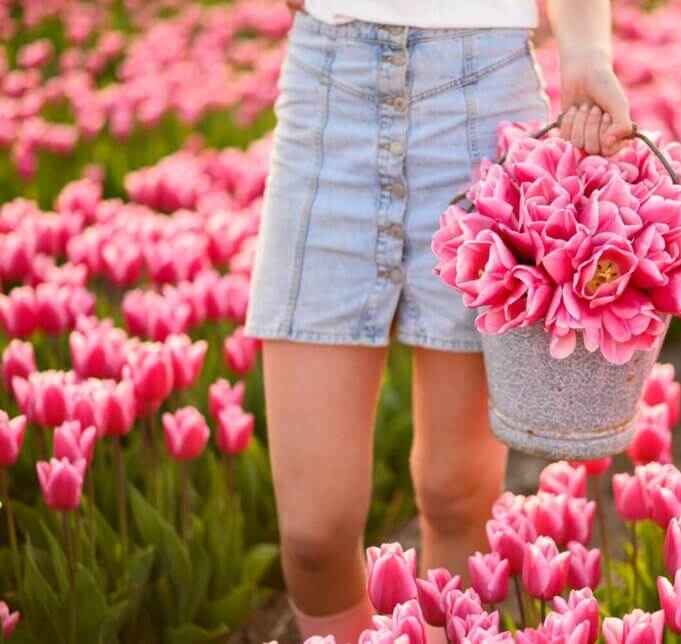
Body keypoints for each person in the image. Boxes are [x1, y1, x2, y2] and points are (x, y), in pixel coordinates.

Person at [244, 0, 633, 640]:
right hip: (328, 91)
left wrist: (587, 51)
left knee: (457, 499)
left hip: (482, 99)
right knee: (314, 535)